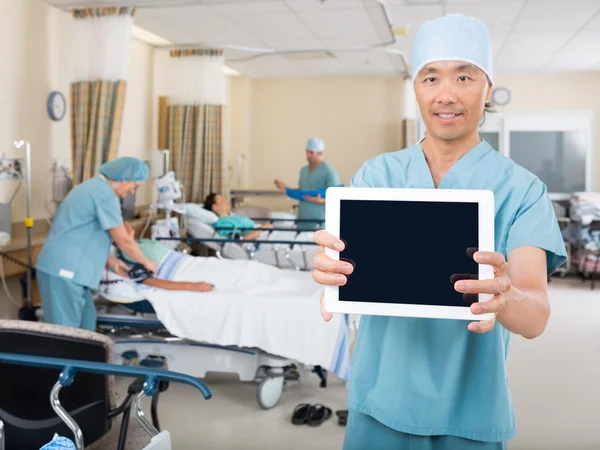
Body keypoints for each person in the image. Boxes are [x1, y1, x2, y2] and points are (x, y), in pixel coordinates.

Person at [311, 14, 566, 450]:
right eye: (431, 77)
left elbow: (535, 317)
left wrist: (507, 295)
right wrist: (329, 273)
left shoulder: (521, 190)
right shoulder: (377, 176)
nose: (446, 94)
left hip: (469, 410)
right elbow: (345, 269)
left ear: (488, 88)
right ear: (415, 88)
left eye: (464, 76)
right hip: (379, 400)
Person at [36, 157, 158, 331]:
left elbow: (85, 234)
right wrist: (147, 262)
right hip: (64, 271)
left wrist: (112, 261)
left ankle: (84, 358)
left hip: (73, 272)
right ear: (124, 177)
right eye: (134, 185)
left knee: (86, 326)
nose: (132, 191)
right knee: (63, 334)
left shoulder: (94, 189)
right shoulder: (105, 195)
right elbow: (122, 241)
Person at [274, 137, 340, 230]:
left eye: (311, 152)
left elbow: (336, 197)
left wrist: (320, 201)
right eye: (307, 152)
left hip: (320, 221)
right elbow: (302, 189)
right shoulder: (304, 170)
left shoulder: (329, 172)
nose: (307, 155)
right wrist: (285, 187)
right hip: (303, 218)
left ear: (320, 153)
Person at [203, 192, 273, 240]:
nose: (225, 201)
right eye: (221, 200)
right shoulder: (223, 223)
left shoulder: (232, 217)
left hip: (264, 233)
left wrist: (263, 228)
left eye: (224, 199)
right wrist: (261, 228)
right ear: (214, 207)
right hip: (261, 238)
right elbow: (239, 241)